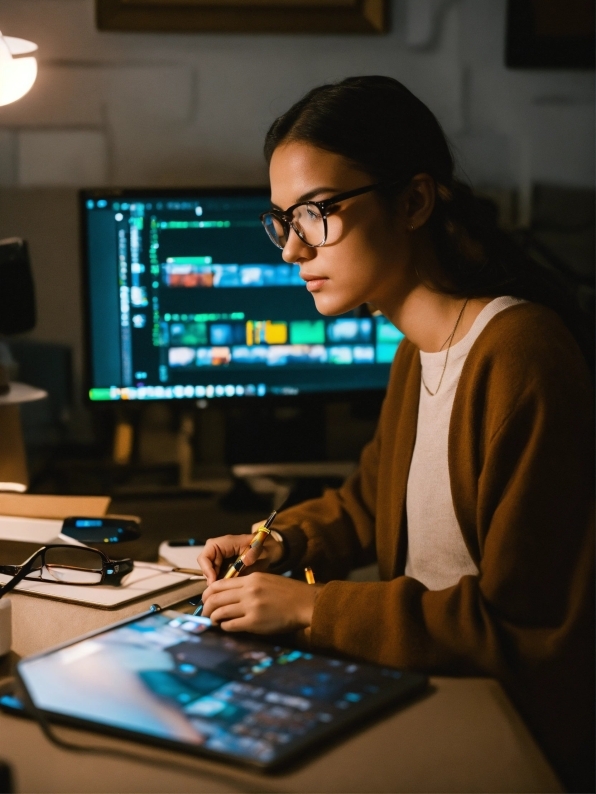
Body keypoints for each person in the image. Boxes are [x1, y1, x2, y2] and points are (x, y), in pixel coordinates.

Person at [198, 77, 594, 791]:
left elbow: (528, 632)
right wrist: (282, 542)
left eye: (316, 213)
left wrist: (315, 608)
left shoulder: (521, 356)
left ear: (413, 200)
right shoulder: (418, 350)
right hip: (433, 694)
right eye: (282, 220)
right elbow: (373, 504)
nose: (291, 250)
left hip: (509, 738)